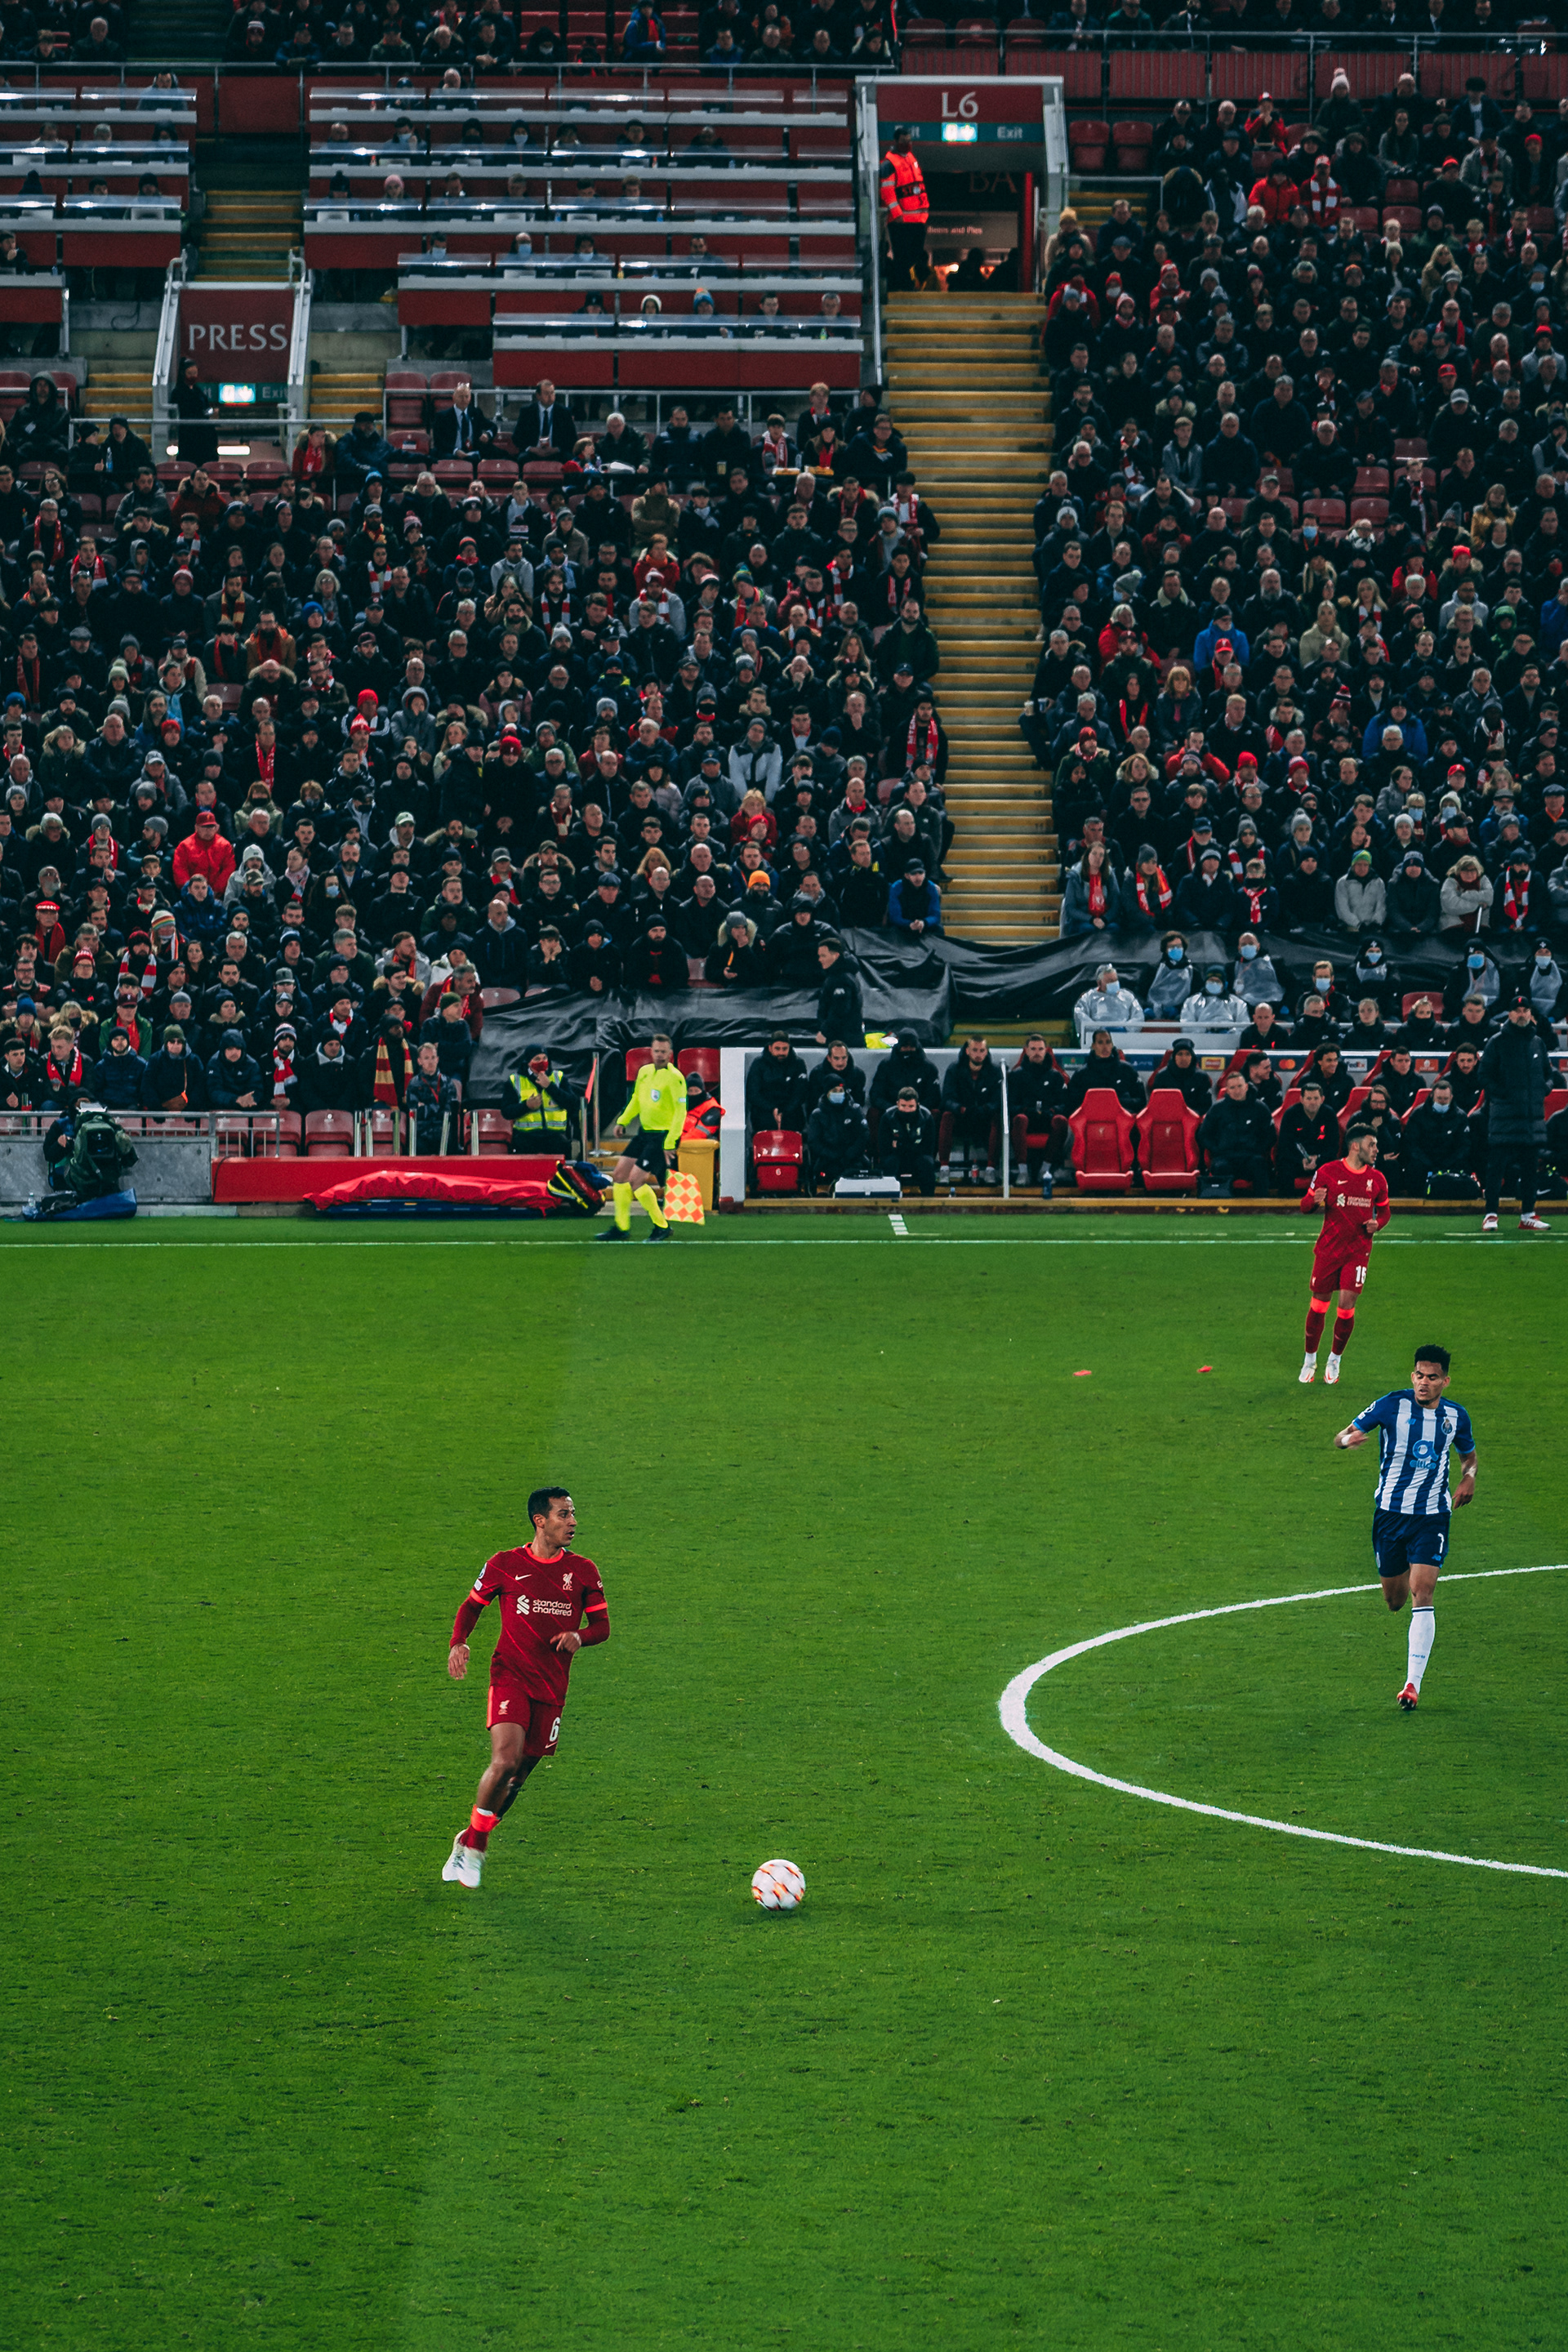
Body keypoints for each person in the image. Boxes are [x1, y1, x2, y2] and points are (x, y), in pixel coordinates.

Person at [441, 1486, 608, 1890]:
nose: (572, 1522)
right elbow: (472, 1605)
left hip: (552, 1686)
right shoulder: (504, 1564)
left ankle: (468, 1839)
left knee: (516, 1780)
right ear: (540, 1521)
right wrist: (458, 1642)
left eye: (573, 1514)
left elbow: (602, 1628)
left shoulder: (584, 1570)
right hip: (510, 1675)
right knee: (506, 1761)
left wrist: (579, 1637)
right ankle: (476, 1851)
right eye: (564, 1515)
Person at [1333, 1345, 1477, 1713]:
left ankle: (1412, 1684)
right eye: (1418, 1375)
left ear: (1445, 1380)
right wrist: (1349, 1440)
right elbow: (1341, 1435)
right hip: (1390, 1515)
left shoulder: (1455, 1416)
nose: (1423, 1382)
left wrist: (1468, 1479)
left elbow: (1468, 1456)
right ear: (1412, 1375)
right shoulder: (1390, 1405)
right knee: (1395, 1601)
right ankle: (1409, 1573)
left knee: (1423, 1592)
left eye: (1431, 1377)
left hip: (1432, 1516)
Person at [1299, 1122, 1391, 1387]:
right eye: (1371, 1145)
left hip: (1358, 1251)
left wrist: (1379, 1224)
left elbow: (1384, 1212)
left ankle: (1335, 1359)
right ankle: (1309, 1359)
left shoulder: (1378, 1179)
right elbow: (1305, 1206)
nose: (1376, 1149)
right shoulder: (1328, 1172)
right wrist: (1314, 1200)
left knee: (1347, 1307)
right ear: (1355, 1145)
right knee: (1319, 1305)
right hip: (1329, 1249)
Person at [1477, 993, 1552, 1234]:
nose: (1522, 1015)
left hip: (1532, 1119)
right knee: (1496, 1167)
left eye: (1526, 1011)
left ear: (1531, 1014)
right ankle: (1491, 1214)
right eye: (1517, 1011)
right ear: (1510, 1014)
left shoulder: (1537, 1042)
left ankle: (1528, 1215)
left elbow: (1548, 1073)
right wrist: (1504, 1094)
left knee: (1531, 1168)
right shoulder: (1497, 1042)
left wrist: (1545, 1088)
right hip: (1505, 1117)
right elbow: (1484, 1075)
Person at [600, 1033, 684, 1241]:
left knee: (635, 1181)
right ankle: (621, 1227)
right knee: (619, 1175)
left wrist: (670, 1142)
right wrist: (623, 1120)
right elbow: (637, 1099)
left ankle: (661, 1226)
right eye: (656, 1051)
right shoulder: (644, 1072)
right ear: (651, 1052)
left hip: (661, 1137)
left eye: (664, 1052)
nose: (659, 1055)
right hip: (644, 1133)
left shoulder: (676, 1078)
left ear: (670, 1054)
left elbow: (680, 1112)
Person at [1198, 1069, 1276, 1196]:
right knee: (1220, 1168)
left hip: (1251, 1156)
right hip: (1224, 1156)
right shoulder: (1217, 1109)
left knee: (1260, 1165)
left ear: (1246, 1086)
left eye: (1240, 1086)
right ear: (1227, 1090)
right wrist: (1216, 1149)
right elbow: (1204, 1135)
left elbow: (1271, 1135)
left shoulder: (1260, 1108)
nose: (1237, 1090)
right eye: (1232, 1087)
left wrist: (1259, 1149)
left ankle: (1262, 1208)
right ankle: (1223, 1209)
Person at [939, 1036, 1002, 1185]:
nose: (978, 1054)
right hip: (961, 1118)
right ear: (967, 1051)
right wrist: (960, 1109)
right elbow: (947, 1099)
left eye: (982, 1050)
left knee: (998, 1119)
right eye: (975, 1050)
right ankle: (944, 1167)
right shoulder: (954, 1070)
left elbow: (998, 1100)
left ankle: (991, 1169)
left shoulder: (994, 1072)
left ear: (986, 1052)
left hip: (984, 1118)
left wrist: (985, 1109)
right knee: (946, 1116)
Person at [804, 1069, 870, 1192]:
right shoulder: (817, 1115)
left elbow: (863, 1135)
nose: (839, 1094)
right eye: (835, 1091)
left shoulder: (855, 1111)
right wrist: (832, 1155)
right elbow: (814, 1142)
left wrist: (849, 1154)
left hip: (853, 1159)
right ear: (827, 1093)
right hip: (828, 1159)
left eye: (841, 1091)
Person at [504, 1049, 581, 1152]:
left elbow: (572, 1104)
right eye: (537, 1059)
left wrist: (550, 1087)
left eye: (544, 1058)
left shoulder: (558, 1077)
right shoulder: (515, 1080)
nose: (542, 1062)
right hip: (526, 1140)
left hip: (557, 1139)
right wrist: (526, 1106)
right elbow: (506, 1112)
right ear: (528, 1062)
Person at [1275, 1077, 1338, 1196]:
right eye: (1309, 1098)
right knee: (1284, 1166)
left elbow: (1333, 1146)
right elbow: (1285, 1146)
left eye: (1316, 1098)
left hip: (1321, 1160)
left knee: (1334, 1165)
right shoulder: (1291, 1115)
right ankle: (1285, 1207)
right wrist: (1300, 1161)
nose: (1312, 1102)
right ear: (1301, 1100)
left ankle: (1332, 1203)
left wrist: (1318, 1158)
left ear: (1322, 1099)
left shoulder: (1329, 1114)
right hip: (1296, 1160)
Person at [877, 1083, 937, 1196]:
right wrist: (911, 1146)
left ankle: (929, 1201)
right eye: (903, 1106)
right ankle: (887, 1199)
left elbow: (929, 1148)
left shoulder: (927, 1117)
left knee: (927, 1163)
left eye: (911, 1106)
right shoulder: (888, 1117)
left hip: (918, 1156)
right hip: (896, 1157)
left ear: (917, 1105)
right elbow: (884, 1147)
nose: (907, 1110)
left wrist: (900, 1145)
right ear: (897, 1104)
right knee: (890, 1163)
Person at [406, 1041, 461, 1152]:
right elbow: (415, 1111)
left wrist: (425, 1107)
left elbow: (449, 1110)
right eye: (426, 1058)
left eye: (433, 1057)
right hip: (421, 1133)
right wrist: (437, 1106)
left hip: (443, 1131)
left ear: (437, 1059)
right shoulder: (413, 1084)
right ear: (419, 1061)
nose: (431, 1062)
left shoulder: (447, 1083)